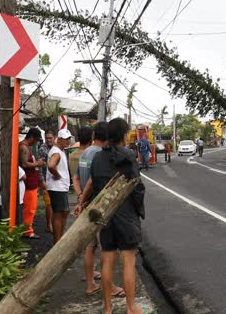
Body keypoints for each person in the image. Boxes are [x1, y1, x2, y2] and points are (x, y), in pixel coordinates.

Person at [77, 118, 151, 314]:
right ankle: (130, 307)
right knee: (128, 261)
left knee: (107, 260)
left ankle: (108, 309)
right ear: (123, 135)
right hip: (126, 215)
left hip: (106, 216)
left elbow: (94, 186)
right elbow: (137, 187)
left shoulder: (98, 158)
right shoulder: (128, 156)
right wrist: (139, 211)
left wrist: (83, 202)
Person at [73, 122, 125, 297]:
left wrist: (80, 198)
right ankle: (109, 287)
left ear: (95, 135)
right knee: (106, 248)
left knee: (90, 247)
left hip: (87, 206)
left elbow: (77, 178)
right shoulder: (100, 154)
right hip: (99, 207)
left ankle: (90, 284)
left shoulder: (85, 153)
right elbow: (92, 181)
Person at [46, 129, 73, 244]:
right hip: (57, 187)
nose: (68, 141)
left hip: (59, 187)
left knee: (63, 212)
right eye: (66, 139)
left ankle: (59, 240)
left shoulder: (59, 150)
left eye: (69, 138)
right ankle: (57, 242)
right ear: (60, 139)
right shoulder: (57, 152)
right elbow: (51, 166)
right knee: (59, 213)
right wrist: (57, 175)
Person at [20, 128, 45, 238]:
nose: (36, 142)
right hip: (28, 182)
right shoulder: (24, 147)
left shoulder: (26, 147)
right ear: (32, 138)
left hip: (31, 182)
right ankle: (27, 231)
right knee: (29, 208)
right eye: (36, 139)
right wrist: (38, 164)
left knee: (31, 207)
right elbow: (25, 164)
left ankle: (27, 228)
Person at [38, 129, 55, 233]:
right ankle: (49, 225)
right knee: (49, 204)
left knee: (55, 204)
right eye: (47, 138)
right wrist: (42, 182)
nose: (48, 140)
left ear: (54, 138)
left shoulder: (57, 148)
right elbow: (39, 167)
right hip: (46, 180)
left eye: (50, 138)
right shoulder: (42, 149)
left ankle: (54, 223)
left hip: (56, 180)